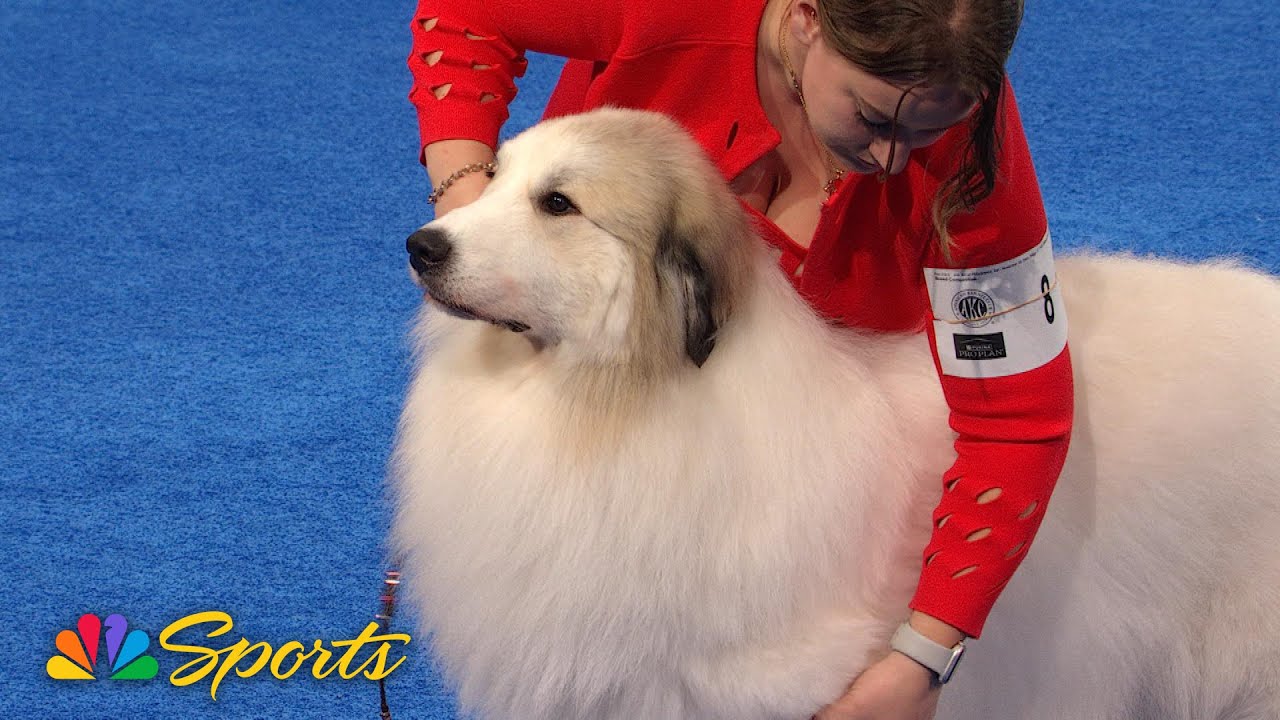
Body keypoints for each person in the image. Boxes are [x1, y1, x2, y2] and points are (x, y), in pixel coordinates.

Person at [406, 0, 1074, 717]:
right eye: (874, 119)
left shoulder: (976, 152)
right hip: (593, 380)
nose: (892, 160)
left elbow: (1017, 419)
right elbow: (461, 15)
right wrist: (472, 211)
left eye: (928, 130)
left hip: (810, 448)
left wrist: (922, 659)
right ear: (808, 21)